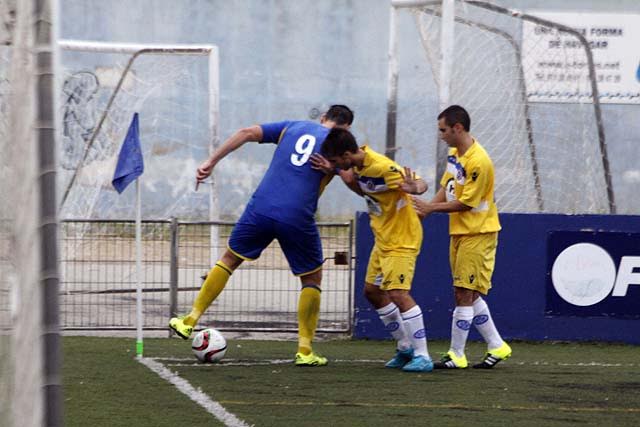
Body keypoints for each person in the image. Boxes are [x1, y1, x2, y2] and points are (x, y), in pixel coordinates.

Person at [169, 105, 355, 367]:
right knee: (311, 278)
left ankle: (189, 321)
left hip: (261, 207)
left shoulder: (293, 126)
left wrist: (211, 161)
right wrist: (334, 169)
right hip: (297, 215)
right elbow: (350, 175)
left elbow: (246, 132)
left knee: (230, 259)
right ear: (345, 129)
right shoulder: (339, 146)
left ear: (323, 118)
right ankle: (305, 351)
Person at [316, 128, 433, 372]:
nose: (337, 166)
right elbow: (361, 186)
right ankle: (404, 347)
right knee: (372, 292)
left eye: (338, 162)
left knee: (399, 293)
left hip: (402, 239)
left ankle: (423, 355)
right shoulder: (357, 168)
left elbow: (420, 183)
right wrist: (334, 170)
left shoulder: (382, 167)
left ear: (348, 154)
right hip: (383, 240)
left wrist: (415, 187)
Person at [411, 105, 512, 369]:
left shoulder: (479, 161)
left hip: (479, 232)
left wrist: (431, 208)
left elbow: (467, 203)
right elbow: (448, 187)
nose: (441, 135)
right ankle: (497, 345)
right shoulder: (456, 154)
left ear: (457, 128)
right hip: (460, 231)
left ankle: (457, 354)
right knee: (468, 292)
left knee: (463, 293)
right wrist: (426, 211)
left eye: (443, 130)